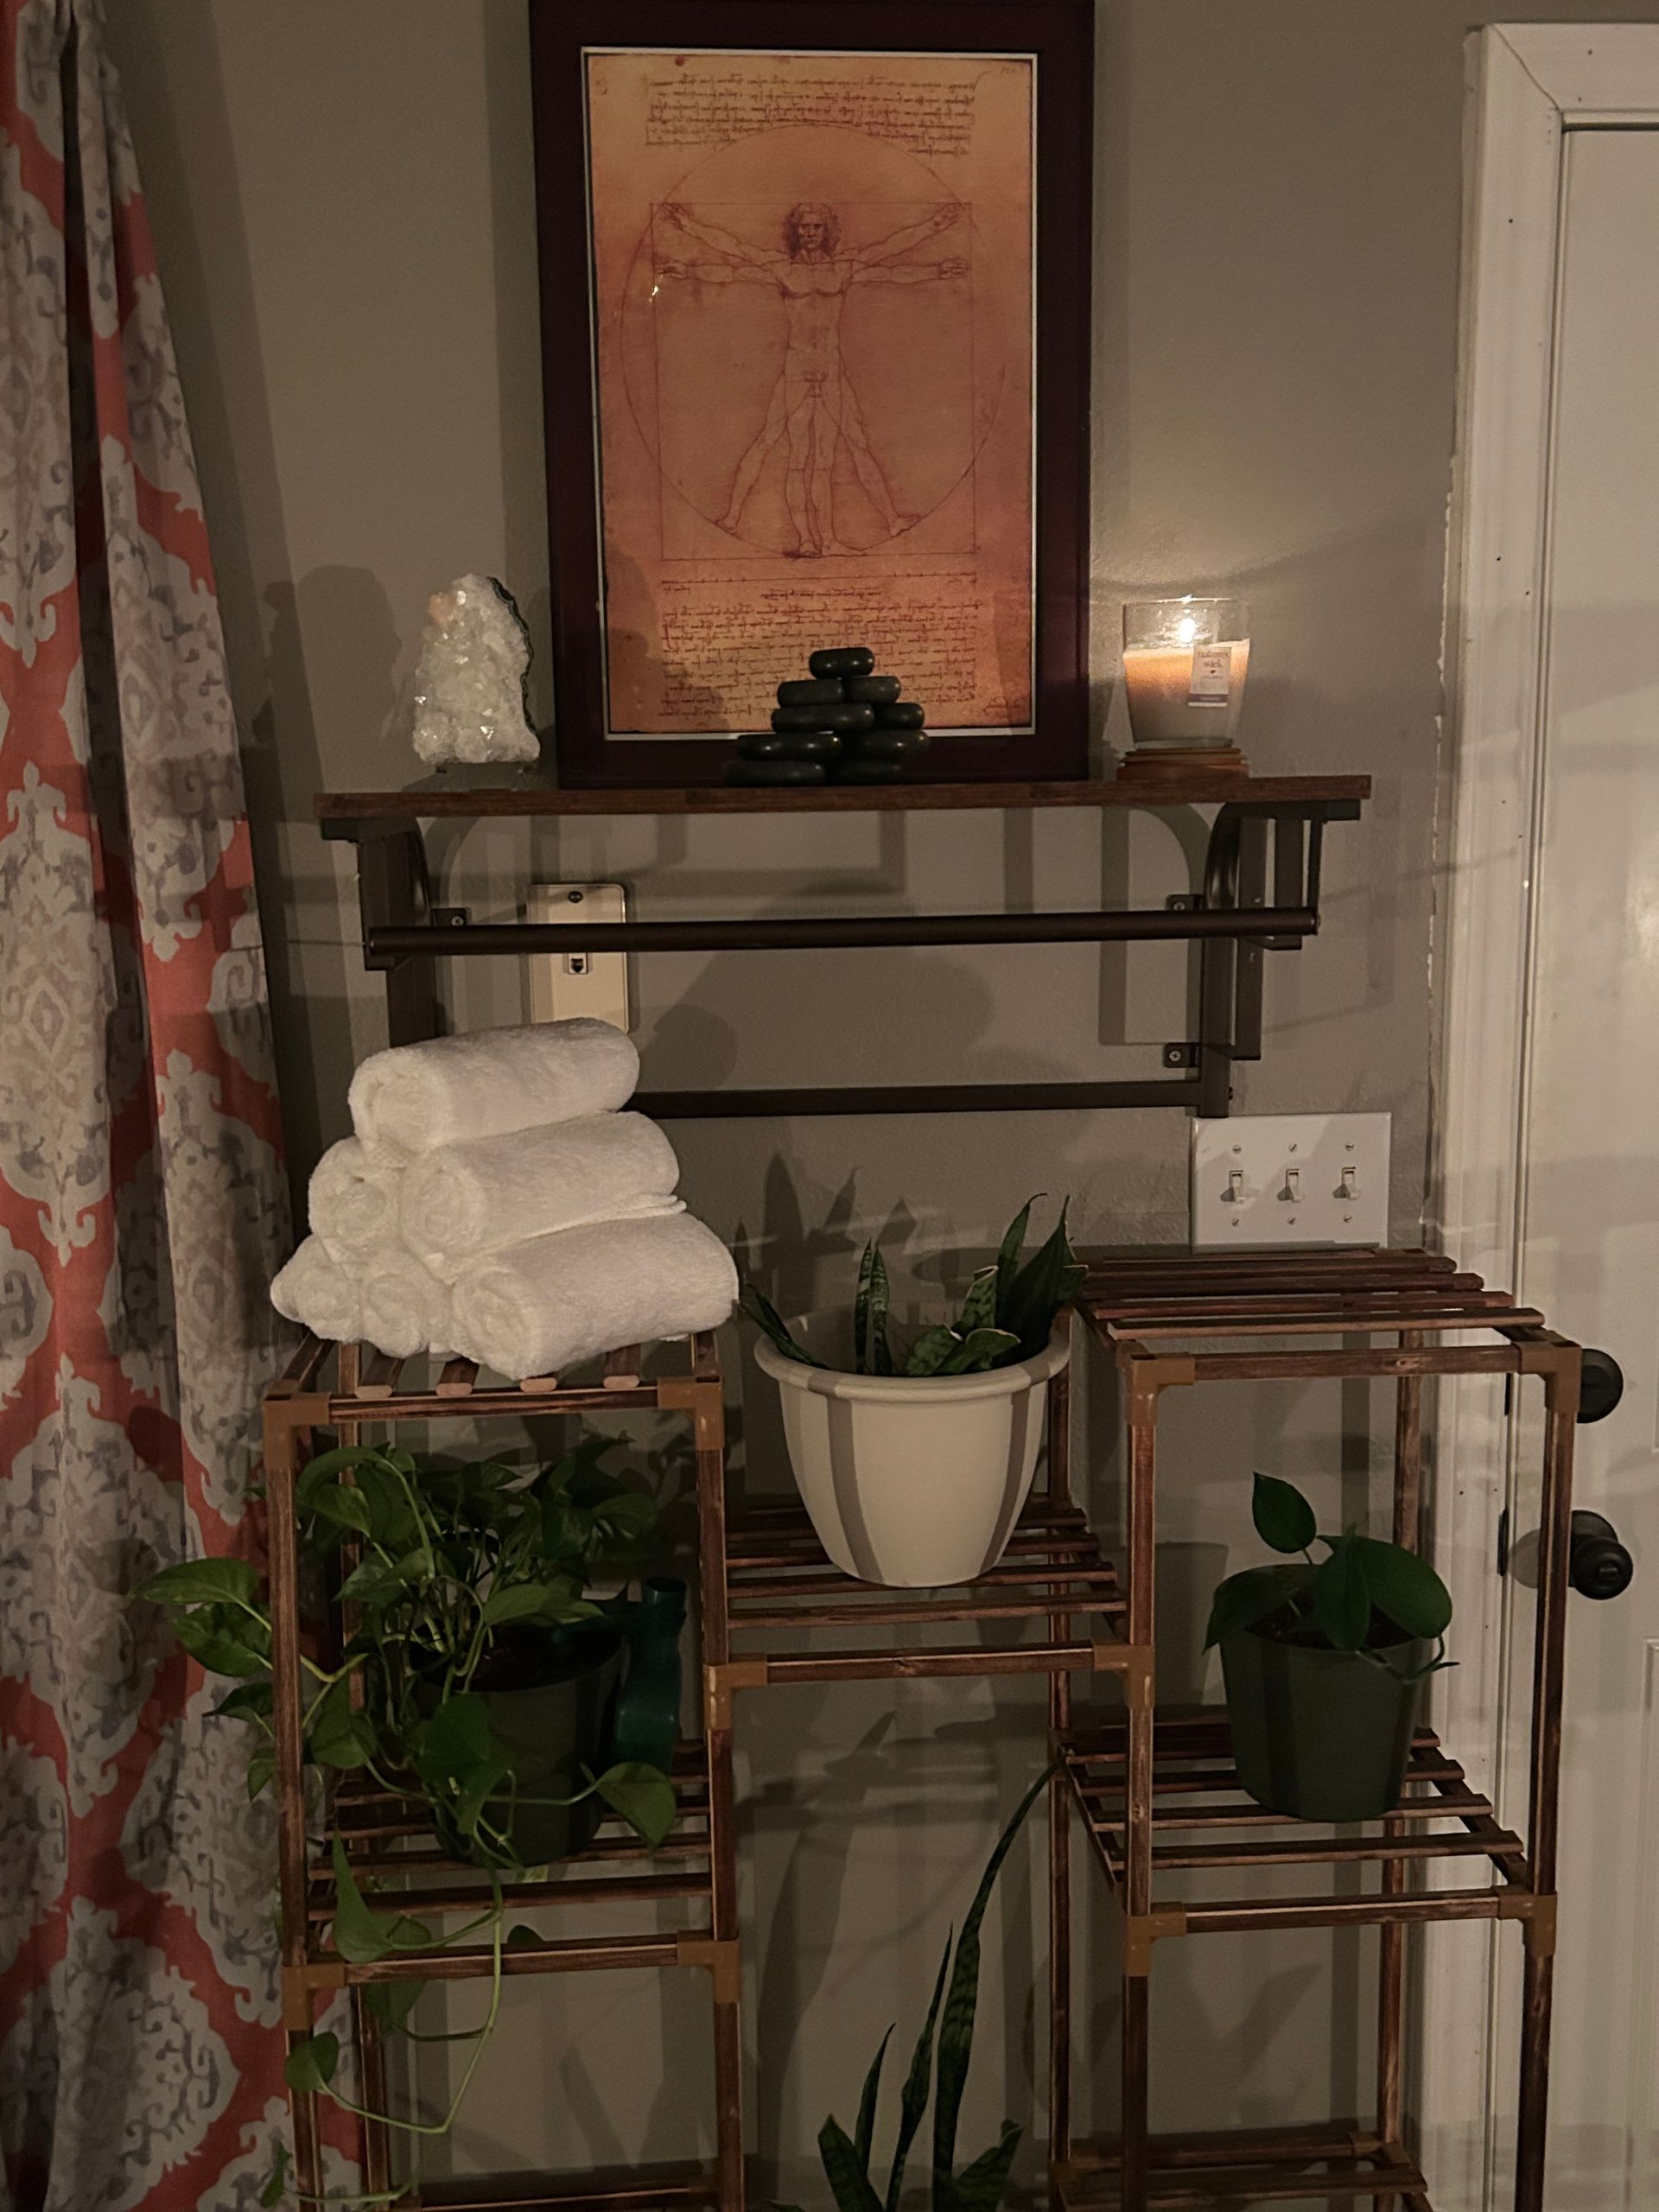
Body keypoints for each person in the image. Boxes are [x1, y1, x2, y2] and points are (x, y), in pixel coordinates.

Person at [658, 198, 967, 555]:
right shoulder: (781, 269)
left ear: (827, 231)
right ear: (795, 231)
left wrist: (936, 248)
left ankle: (873, 527)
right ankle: (746, 521)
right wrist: (688, 251)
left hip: (831, 371)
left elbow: (891, 263)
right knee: (786, 451)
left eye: (817, 226)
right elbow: (734, 261)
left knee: (842, 452)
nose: (810, 233)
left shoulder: (844, 267)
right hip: (797, 372)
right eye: (804, 227)